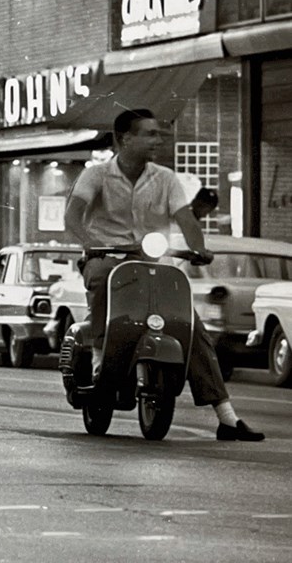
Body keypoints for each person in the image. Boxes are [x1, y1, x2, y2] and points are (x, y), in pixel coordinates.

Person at [64, 108, 263, 442]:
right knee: (101, 278)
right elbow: (74, 216)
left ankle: (227, 417)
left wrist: (199, 248)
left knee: (190, 325)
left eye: (159, 133)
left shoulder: (166, 178)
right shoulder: (96, 176)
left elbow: (185, 218)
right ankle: (99, 353)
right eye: (149, 133)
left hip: (152, 262)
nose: (158, 139)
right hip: (108, 258)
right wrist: (91, 244)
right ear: (125, 138)